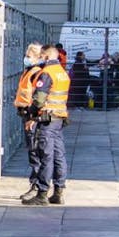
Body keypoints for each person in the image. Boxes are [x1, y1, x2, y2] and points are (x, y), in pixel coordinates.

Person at [22, 45, 71, 206]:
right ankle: (59, 191)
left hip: (47, 120)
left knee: (46, 156)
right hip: (58, 119)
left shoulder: (47, 73)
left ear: (44, 55)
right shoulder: (62, 73)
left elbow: (39, 99)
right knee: (59, 156)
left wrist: (31, 114)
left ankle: (42, 193)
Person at [14, 43, 45, 202]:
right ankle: (36, 185)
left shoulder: (37, 73)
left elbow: (39, 98)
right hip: (27, 115)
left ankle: (36, 186)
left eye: (29, 55)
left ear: (38, 57)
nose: (26, 58)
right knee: (33, 151)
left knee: (35, 151)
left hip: (32, 117)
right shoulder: (30, 71)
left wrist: (33, 118)